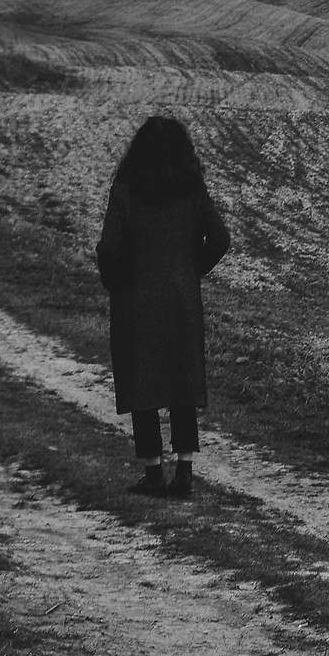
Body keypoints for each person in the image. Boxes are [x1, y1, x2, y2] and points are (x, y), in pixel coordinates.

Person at [96, 116, 230, 499]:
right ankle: (184, 471)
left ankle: (153, 473)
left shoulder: (125, 190)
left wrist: (115, 279)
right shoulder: (192, 191)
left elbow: (108, 248)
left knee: (143, 383)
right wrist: (191, 271)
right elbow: (220, 238)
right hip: (182, 300)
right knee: (181, 383)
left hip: (136, 299)